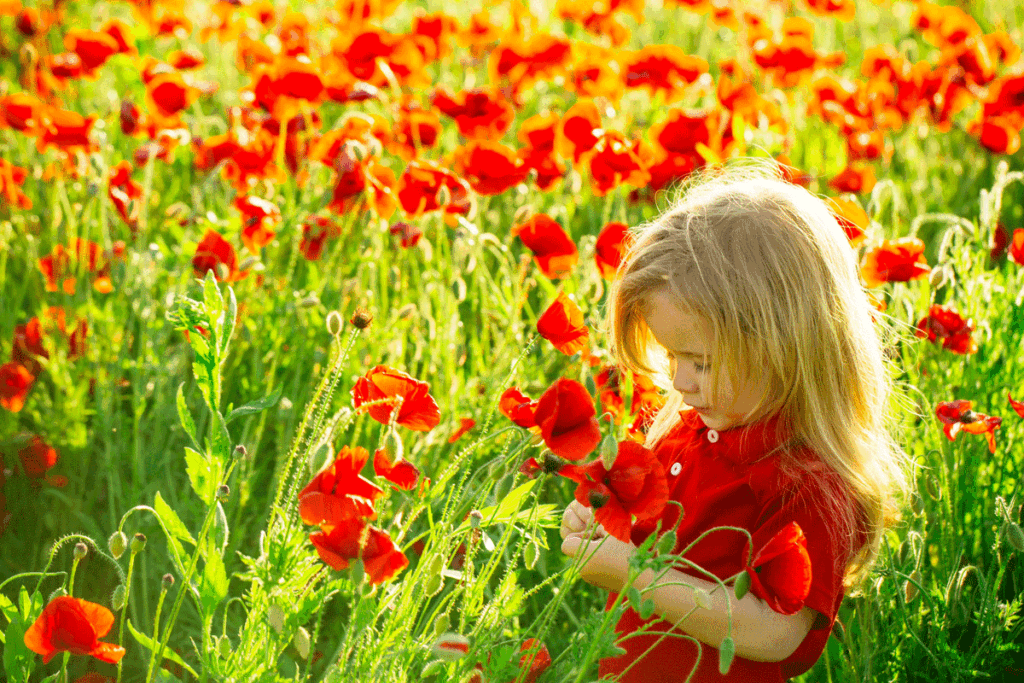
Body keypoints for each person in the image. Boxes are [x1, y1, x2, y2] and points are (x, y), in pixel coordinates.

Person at [559, 158, 911, 682]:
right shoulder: (688, 433)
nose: (679, 381)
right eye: (672, 356)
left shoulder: (807, 481)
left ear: (787, 346)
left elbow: (774, 632)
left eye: (700, 361)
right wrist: (603, 527)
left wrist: (632, 572)